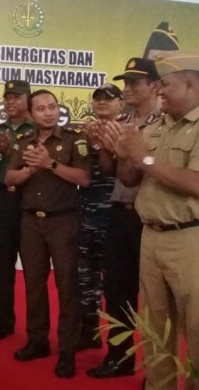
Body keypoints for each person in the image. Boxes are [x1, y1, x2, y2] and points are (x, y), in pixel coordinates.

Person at [114, 51, 199, 390]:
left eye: (166, 84)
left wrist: (142, 157)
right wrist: (124, 154)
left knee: (195, 329)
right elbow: (130, 178)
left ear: (191, 85)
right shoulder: (158, 125)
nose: (159, 90)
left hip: (188, 241)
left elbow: (195, 183)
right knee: (154, 328)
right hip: (151, 236)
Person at [6, 89, 90, 379]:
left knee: (67, 286)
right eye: (40, 109)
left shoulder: (73, 139)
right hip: (30, 222)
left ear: (59, 110)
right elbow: (9, 179)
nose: (48, 113)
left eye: (52, 107)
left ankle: (67, 351)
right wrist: (30, 170)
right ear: (31, 113)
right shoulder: (23, 141)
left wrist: (50, 164)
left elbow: (84, 179)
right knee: (33, 284)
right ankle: (37, 341)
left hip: (63, 221)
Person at [87, 57, 160, 379]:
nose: (128, 88)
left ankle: (159, 368)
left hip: (150, 218)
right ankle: (120, 357)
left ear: (155, 85)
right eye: (126, 82)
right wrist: (105, 146)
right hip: (119, 213)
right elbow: (110, 171)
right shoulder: (124, 119)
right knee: (116, 291)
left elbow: (154, 171)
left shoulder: (165, 121)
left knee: (156, 297)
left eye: (135, 82)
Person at [0, 80, 34, 341]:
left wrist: (13, 152)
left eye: (17, 97)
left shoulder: (38, 129)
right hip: (2, 200)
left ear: (29, 100)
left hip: (29, 200)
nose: (10, 102)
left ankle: (36, 329)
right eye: (7, 97)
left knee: (34, 267)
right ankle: (3, 320)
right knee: (1, 264)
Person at [77, 83, 123, 350]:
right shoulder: (81, 132)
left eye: (108, 98)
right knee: (84, 277)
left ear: (120, 103)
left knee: (114, 283)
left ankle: (116, 339)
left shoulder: (128, 131)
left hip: (114, 217)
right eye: (98, 99)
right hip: (85, 213)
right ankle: (89, 331)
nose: (102, 103)